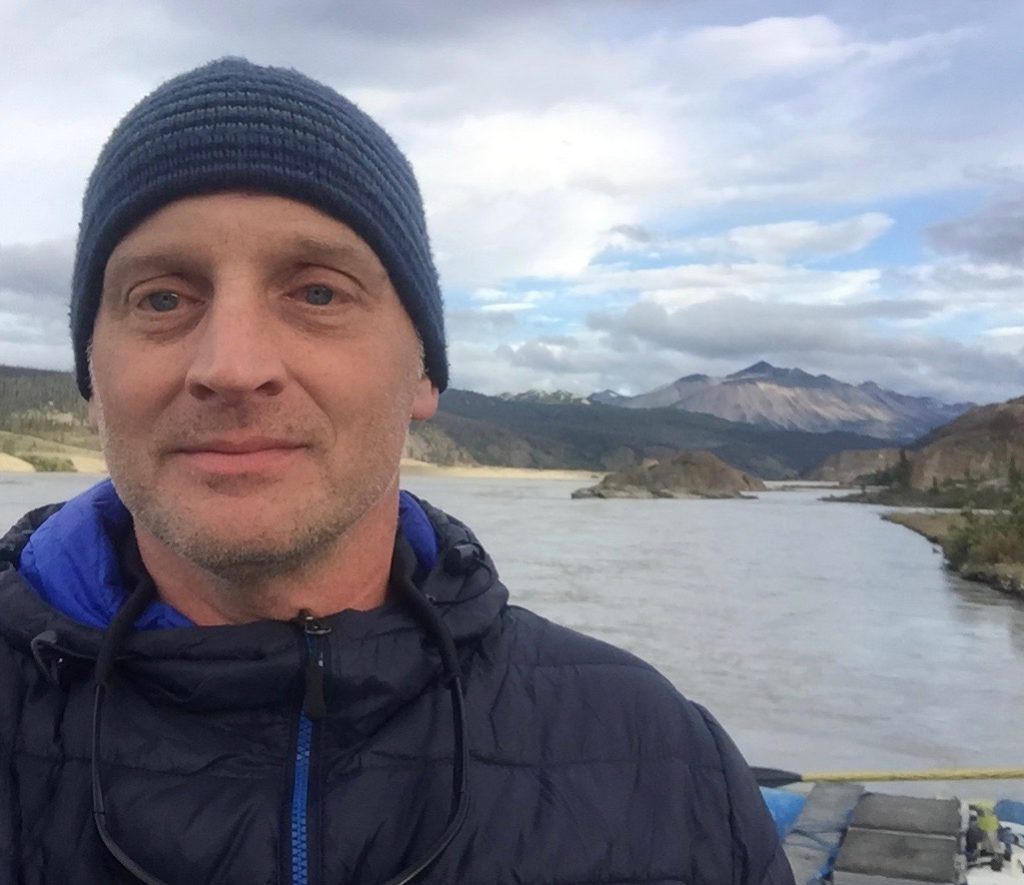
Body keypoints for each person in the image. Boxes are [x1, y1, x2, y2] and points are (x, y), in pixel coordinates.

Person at [0, 58, 794, 885]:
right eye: (162, 299)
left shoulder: (663, 770)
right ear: (91, 382)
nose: (232, 367)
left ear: (423, 372)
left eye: (317, 293)